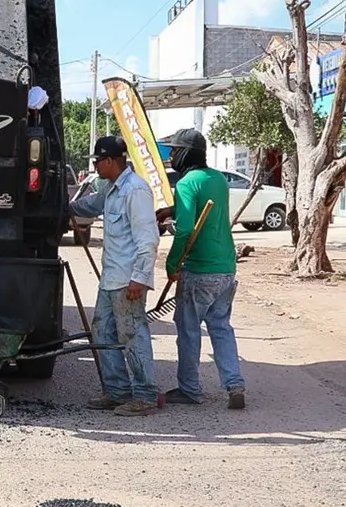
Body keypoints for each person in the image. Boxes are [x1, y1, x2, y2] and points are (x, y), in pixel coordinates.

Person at [69, 136, 161, 416]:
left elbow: (148, 238)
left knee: (132, 334)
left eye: (98, 161)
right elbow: (88, 206)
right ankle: (117, 391)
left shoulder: (135, 190)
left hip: (128, 280)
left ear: (109, 160)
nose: (95, 166)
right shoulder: (111, 189)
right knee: (102, 331)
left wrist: (140, 278)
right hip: (111, 278)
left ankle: (145, 396)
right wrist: (60, 207)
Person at [158, 128, 247, 410]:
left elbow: (185, 229)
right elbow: (202, 209)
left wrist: (172, 264)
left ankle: (189, 389)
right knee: (220, 327)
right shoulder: (217, 179)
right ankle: (234, 384)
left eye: (174, 151)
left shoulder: (186, 183)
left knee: (188, 331)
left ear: (186, 153)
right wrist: (172, 209)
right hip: (225, 267)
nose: (172, 156)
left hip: (198, 269)